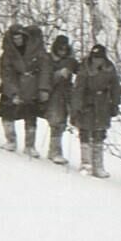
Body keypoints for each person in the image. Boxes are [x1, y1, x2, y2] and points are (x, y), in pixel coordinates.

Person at [0, 24, 51, 157]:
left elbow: (45, 70)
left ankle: (30, 145)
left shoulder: (37, 52)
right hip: (13, 85)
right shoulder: (8, 54)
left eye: (19, 38)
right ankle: (11, 140)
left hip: (31, 86)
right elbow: (6, 73)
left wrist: (43, 88)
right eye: (14, 38)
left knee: (31, 115)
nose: (17, 41)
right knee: (7, 113)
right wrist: (13, 91)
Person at [70, 44, 120, 178]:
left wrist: (115, 103)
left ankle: (98, 165)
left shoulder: (110, 69)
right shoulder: (85, 69)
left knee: (99, 133)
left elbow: (115, 87)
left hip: (103, 103)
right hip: (87, 102)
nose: (97, 60)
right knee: (85, 131)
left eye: (100, 58)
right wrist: (76, 107)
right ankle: (86, 163)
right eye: (95, 57)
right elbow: (78, 88)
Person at [40, 35, 79, 165]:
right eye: (60, 48)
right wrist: (58, 75)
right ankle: (54, 151)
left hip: (66, 94)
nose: (62, 51)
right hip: (54, 93)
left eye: (64, 49)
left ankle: (55, 150)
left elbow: (80, 70)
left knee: (62, 123)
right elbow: (45, 76)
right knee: (56, 121)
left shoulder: (70, 61)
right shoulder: (48, 59)